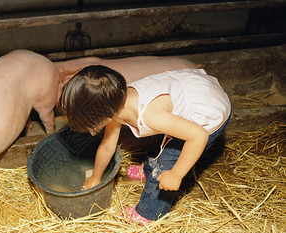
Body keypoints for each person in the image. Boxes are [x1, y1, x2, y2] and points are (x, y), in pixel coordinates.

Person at [57, 65, 232, 224]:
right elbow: (108, 145)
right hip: (190, 93)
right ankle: (150, 169)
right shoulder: (113, 102)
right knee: (162, 147)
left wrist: (176, 174)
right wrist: (96, 176)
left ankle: (148, 214)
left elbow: (198, 136)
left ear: (103, 118)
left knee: (164, 167)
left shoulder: (151, 116)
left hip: (207, 114)